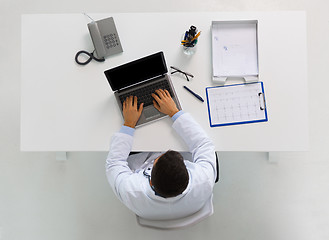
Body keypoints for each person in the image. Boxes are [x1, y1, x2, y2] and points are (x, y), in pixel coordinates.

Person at [106, 89, 217, 220]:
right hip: (190, 207)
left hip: (147, 207)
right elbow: (203, 144)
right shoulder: (204, 180)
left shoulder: (131, 190)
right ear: (188, 174)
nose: (162, 152)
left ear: (150, 180)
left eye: (157, 160)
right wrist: (174, 112)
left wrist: (129, 124)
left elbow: (115, 163)